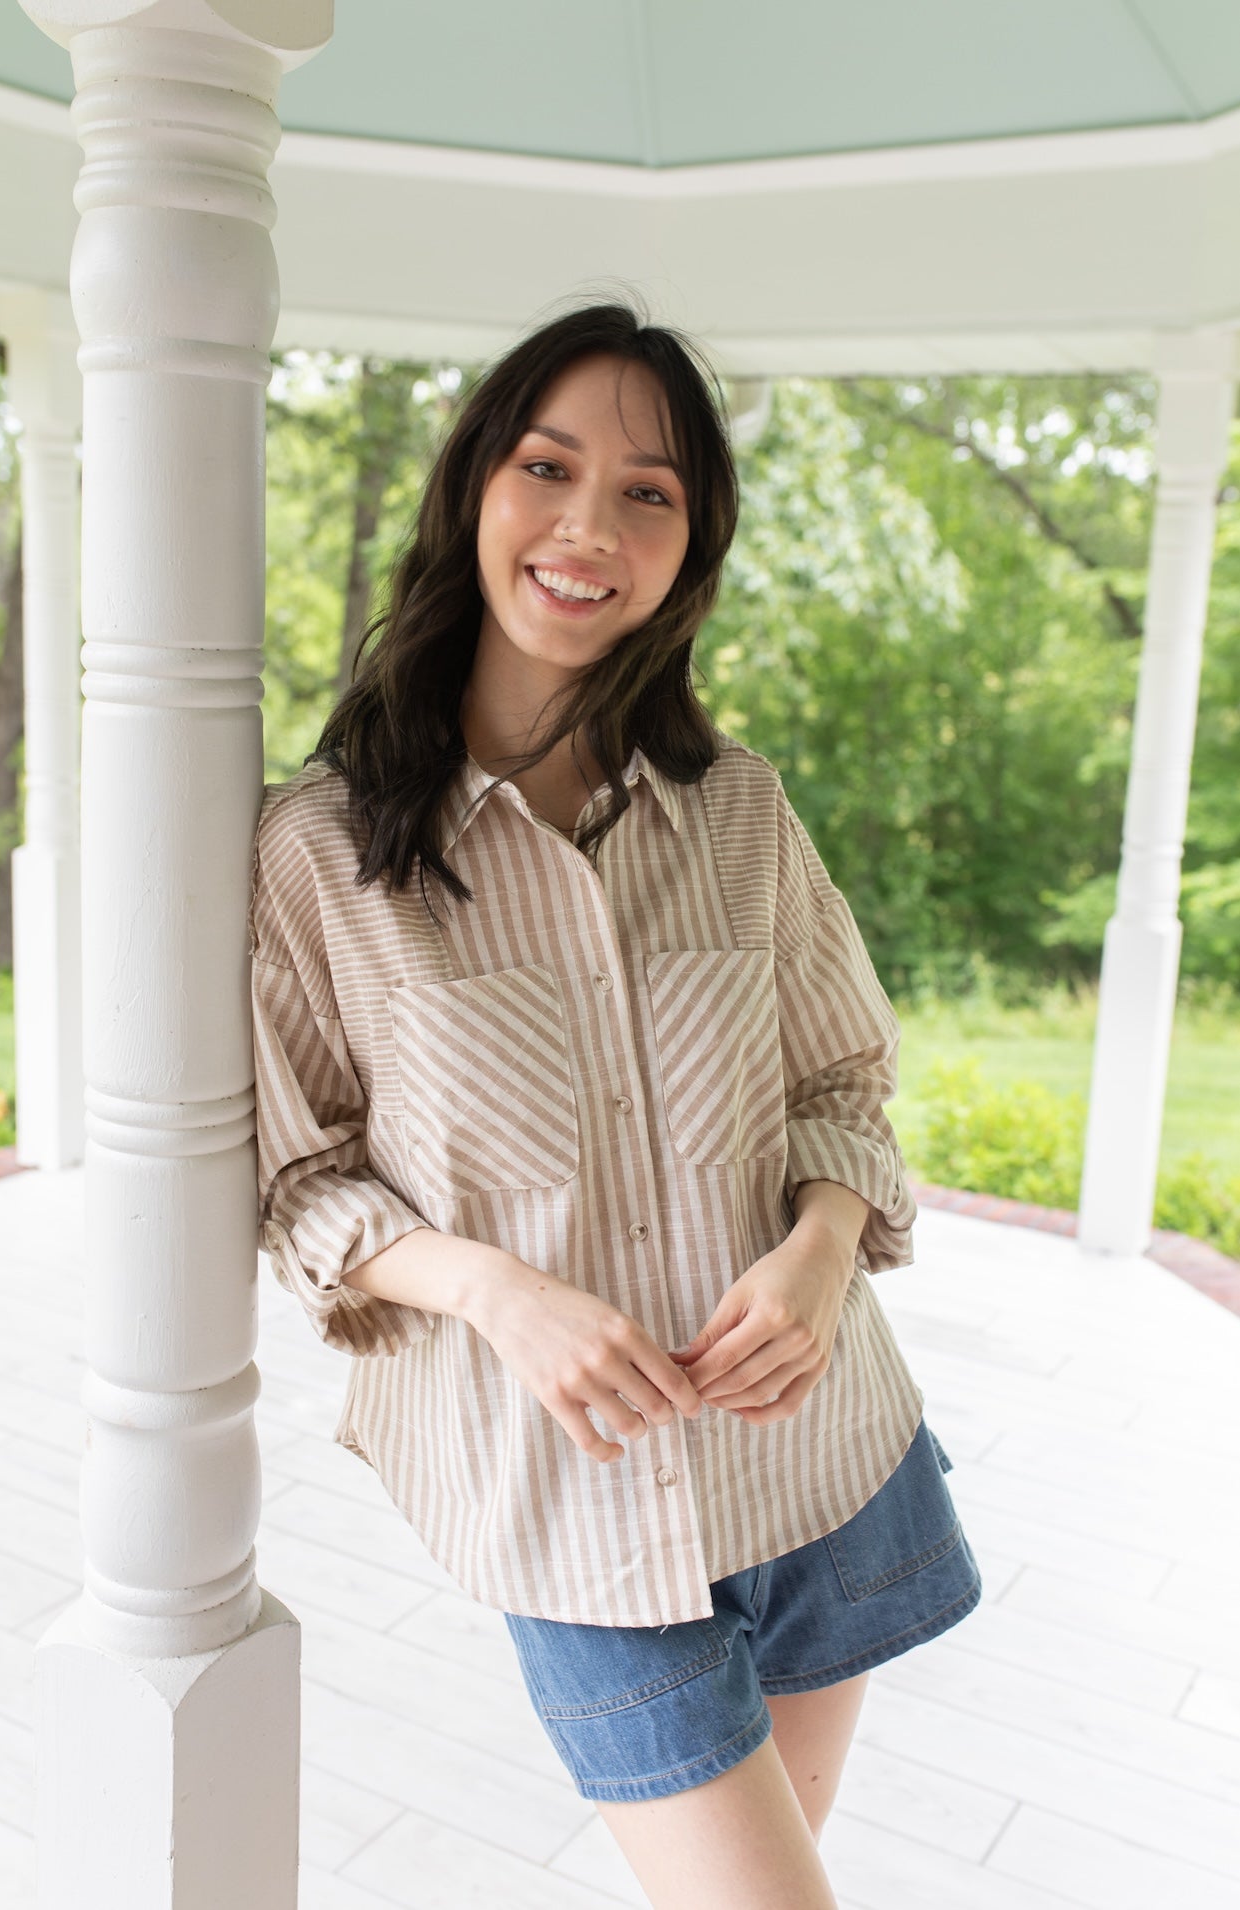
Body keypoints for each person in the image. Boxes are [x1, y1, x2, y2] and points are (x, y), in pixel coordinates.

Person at [250, 298, 982, 1910]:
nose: (590, 526)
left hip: (822, 1458)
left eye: (648, 490)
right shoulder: (317, 853)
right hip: (571, 1508)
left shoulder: (738, 813)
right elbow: (297, 1182)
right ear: (472, 490)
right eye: (548, 464)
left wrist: (818, 1245)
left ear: (691, 543)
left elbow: (838, 1077)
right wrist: (493, 1290)